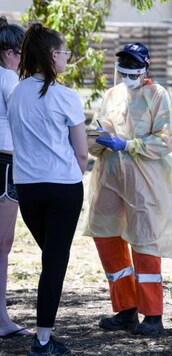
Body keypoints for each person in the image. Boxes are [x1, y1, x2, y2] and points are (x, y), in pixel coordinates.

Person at [83, 42, 172, 337]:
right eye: (123, 71)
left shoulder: (157, 95)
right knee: (107, 238)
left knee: (145, 242)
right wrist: (97, 139)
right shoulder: (111, 95)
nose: (127, 76)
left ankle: (152, 315)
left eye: (133, 70)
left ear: (145, 68)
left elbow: (165, 139)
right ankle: (125, 309)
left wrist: (130, 144)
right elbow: (95, 129)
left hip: (144, 182)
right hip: (109, 178)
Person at [7, 23, 88, 355]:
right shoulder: (66, 96)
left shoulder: (16, 93)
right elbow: (82, 151)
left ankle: (44, 335)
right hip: (63, 187)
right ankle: (41, 340)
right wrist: (74, 176)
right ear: (53, 55)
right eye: (65, 51)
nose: (67, 57)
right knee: (55, 262)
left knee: (51, 258)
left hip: (27, 188)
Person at [0, 17, 32, 339]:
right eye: (22, 54)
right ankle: (2, 319)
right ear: (10, 52)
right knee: (2, 244)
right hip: (5, 163)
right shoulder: (9, 79)